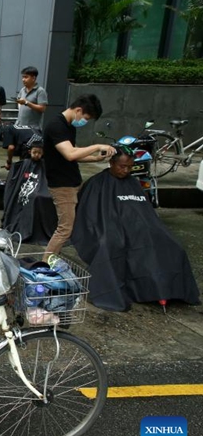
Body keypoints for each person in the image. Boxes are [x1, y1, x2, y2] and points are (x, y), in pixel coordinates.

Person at [72, 147, 200, 311]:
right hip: (112, 228)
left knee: (173, 246)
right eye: (122, 166)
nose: (125, 171)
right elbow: (90, 216)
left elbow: (146, 213)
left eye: (130, 167)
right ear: (111, 163)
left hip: (142, 228)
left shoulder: (133, 183)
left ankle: (168, 289)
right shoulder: (96, 183)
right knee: (112, 245)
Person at [42, 94, 113, 259]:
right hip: (62, 185)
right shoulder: (56, 126)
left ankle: (51, 260)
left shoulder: (68, 126)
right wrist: (96, 146)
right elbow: (70, 154)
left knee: (68, 226)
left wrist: (96, 158)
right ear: (78, 110)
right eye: (86, 118)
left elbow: (75, 152)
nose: (85, 122)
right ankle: (44, 266)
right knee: (65, 228)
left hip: (71, 181)